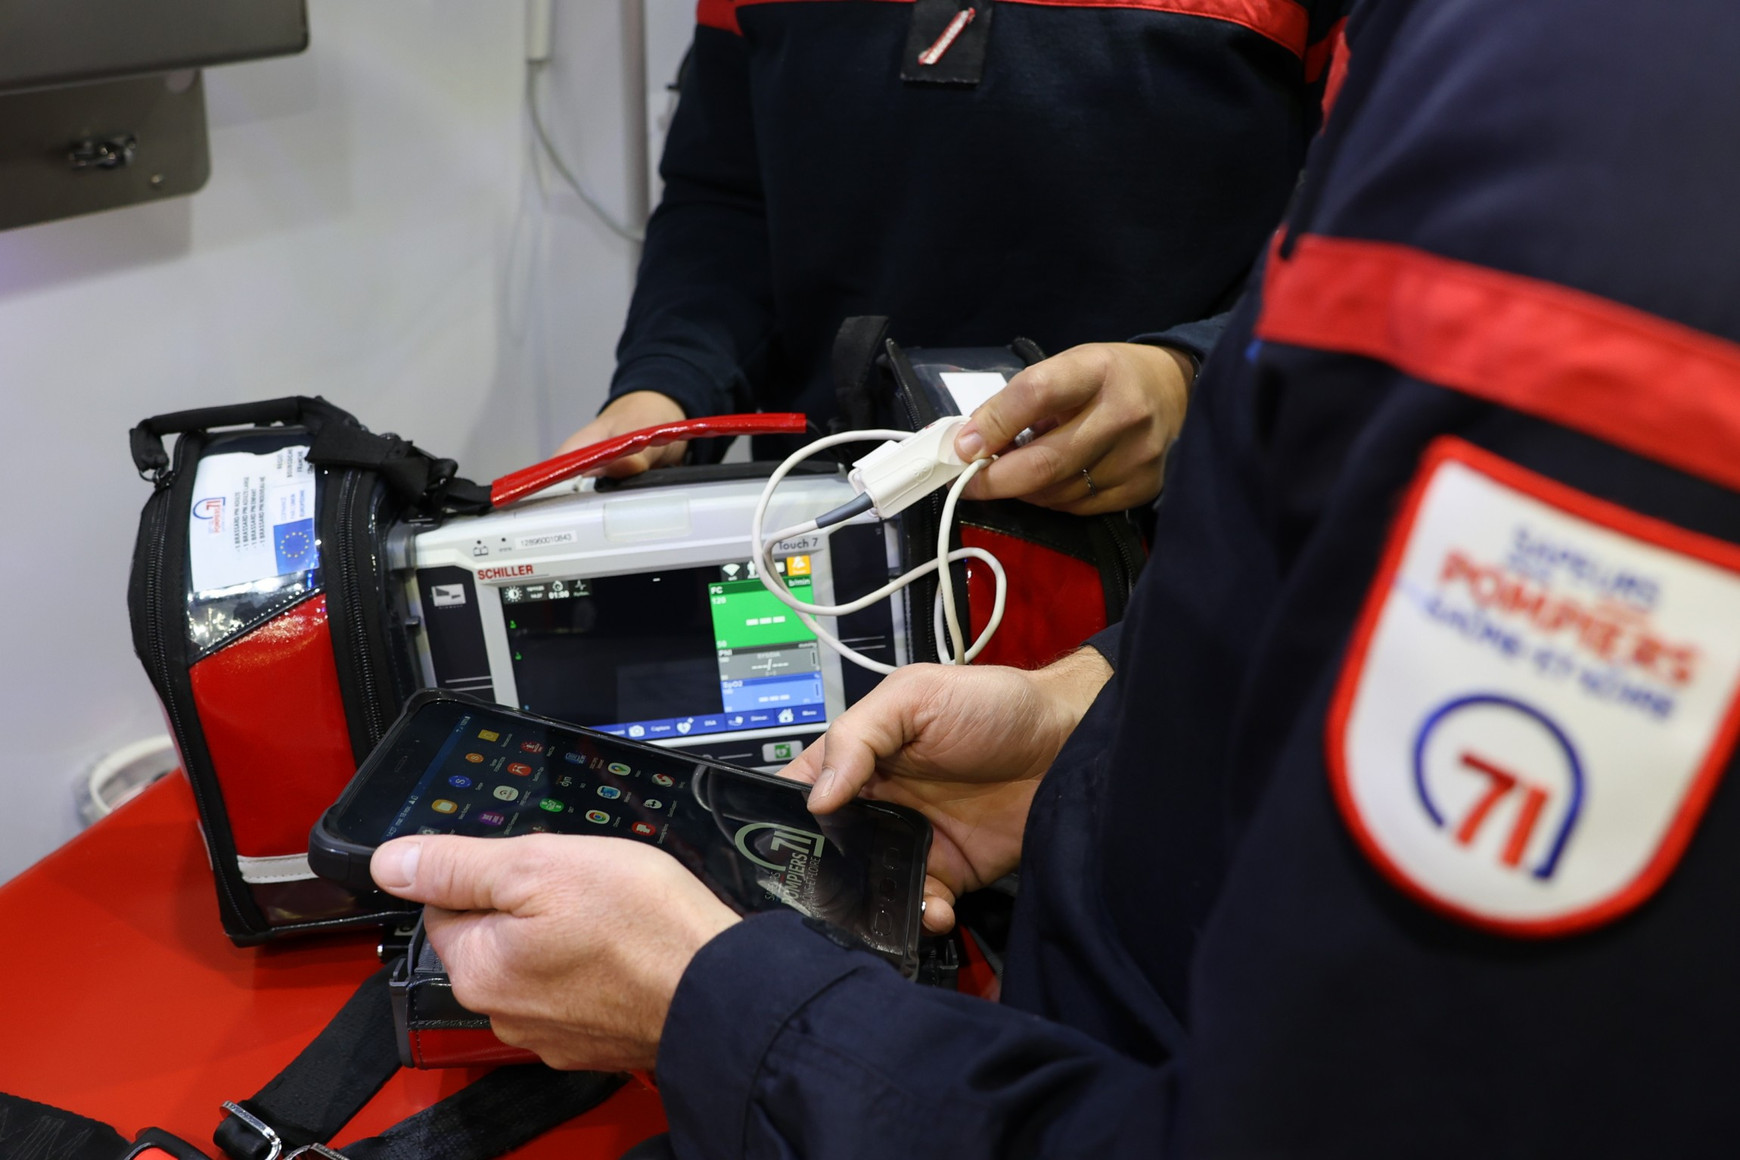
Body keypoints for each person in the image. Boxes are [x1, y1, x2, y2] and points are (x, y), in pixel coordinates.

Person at [370, 0, 1740, 1152]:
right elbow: (1319, 522)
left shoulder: (1605, 140)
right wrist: (1089, 730)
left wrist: (714, 1004)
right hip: (1040, 871)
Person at [558, 0, 1347, 515]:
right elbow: (729, 196)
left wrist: (1191, 376)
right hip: (824, 539)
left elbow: (1375, 229)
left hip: (1164, 559)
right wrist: (669, 387)